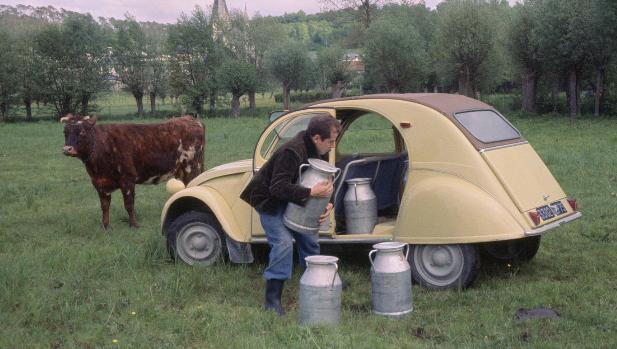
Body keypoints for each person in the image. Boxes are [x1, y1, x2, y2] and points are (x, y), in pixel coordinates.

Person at [240, 114, 341, 316]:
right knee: (283, 244)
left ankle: (315, 282)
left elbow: (323, 180)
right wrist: (311, 193)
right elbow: (277, 187)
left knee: (309, 239)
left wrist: (328, 204)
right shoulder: (291, 151)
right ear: (316, 138)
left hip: (292, 199)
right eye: (330, 141)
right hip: (269, 201)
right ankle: (272, 300)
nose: (332, 146)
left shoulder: (318, 150)